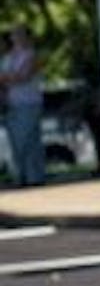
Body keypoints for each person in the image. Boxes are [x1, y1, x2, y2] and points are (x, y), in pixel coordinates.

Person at [1, 25, 46, 187]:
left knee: (26, 140)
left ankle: (32, 177)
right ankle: (26, 177)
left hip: (30, 103)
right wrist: (9, 78)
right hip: (11, 104)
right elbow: (8, 79)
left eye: (20, 34)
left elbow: (24, 76)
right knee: (18, 142)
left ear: (27, 37)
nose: (16, 38)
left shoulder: (33, 55)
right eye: (14, 35)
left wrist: (7, 78)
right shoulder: (7, 58)